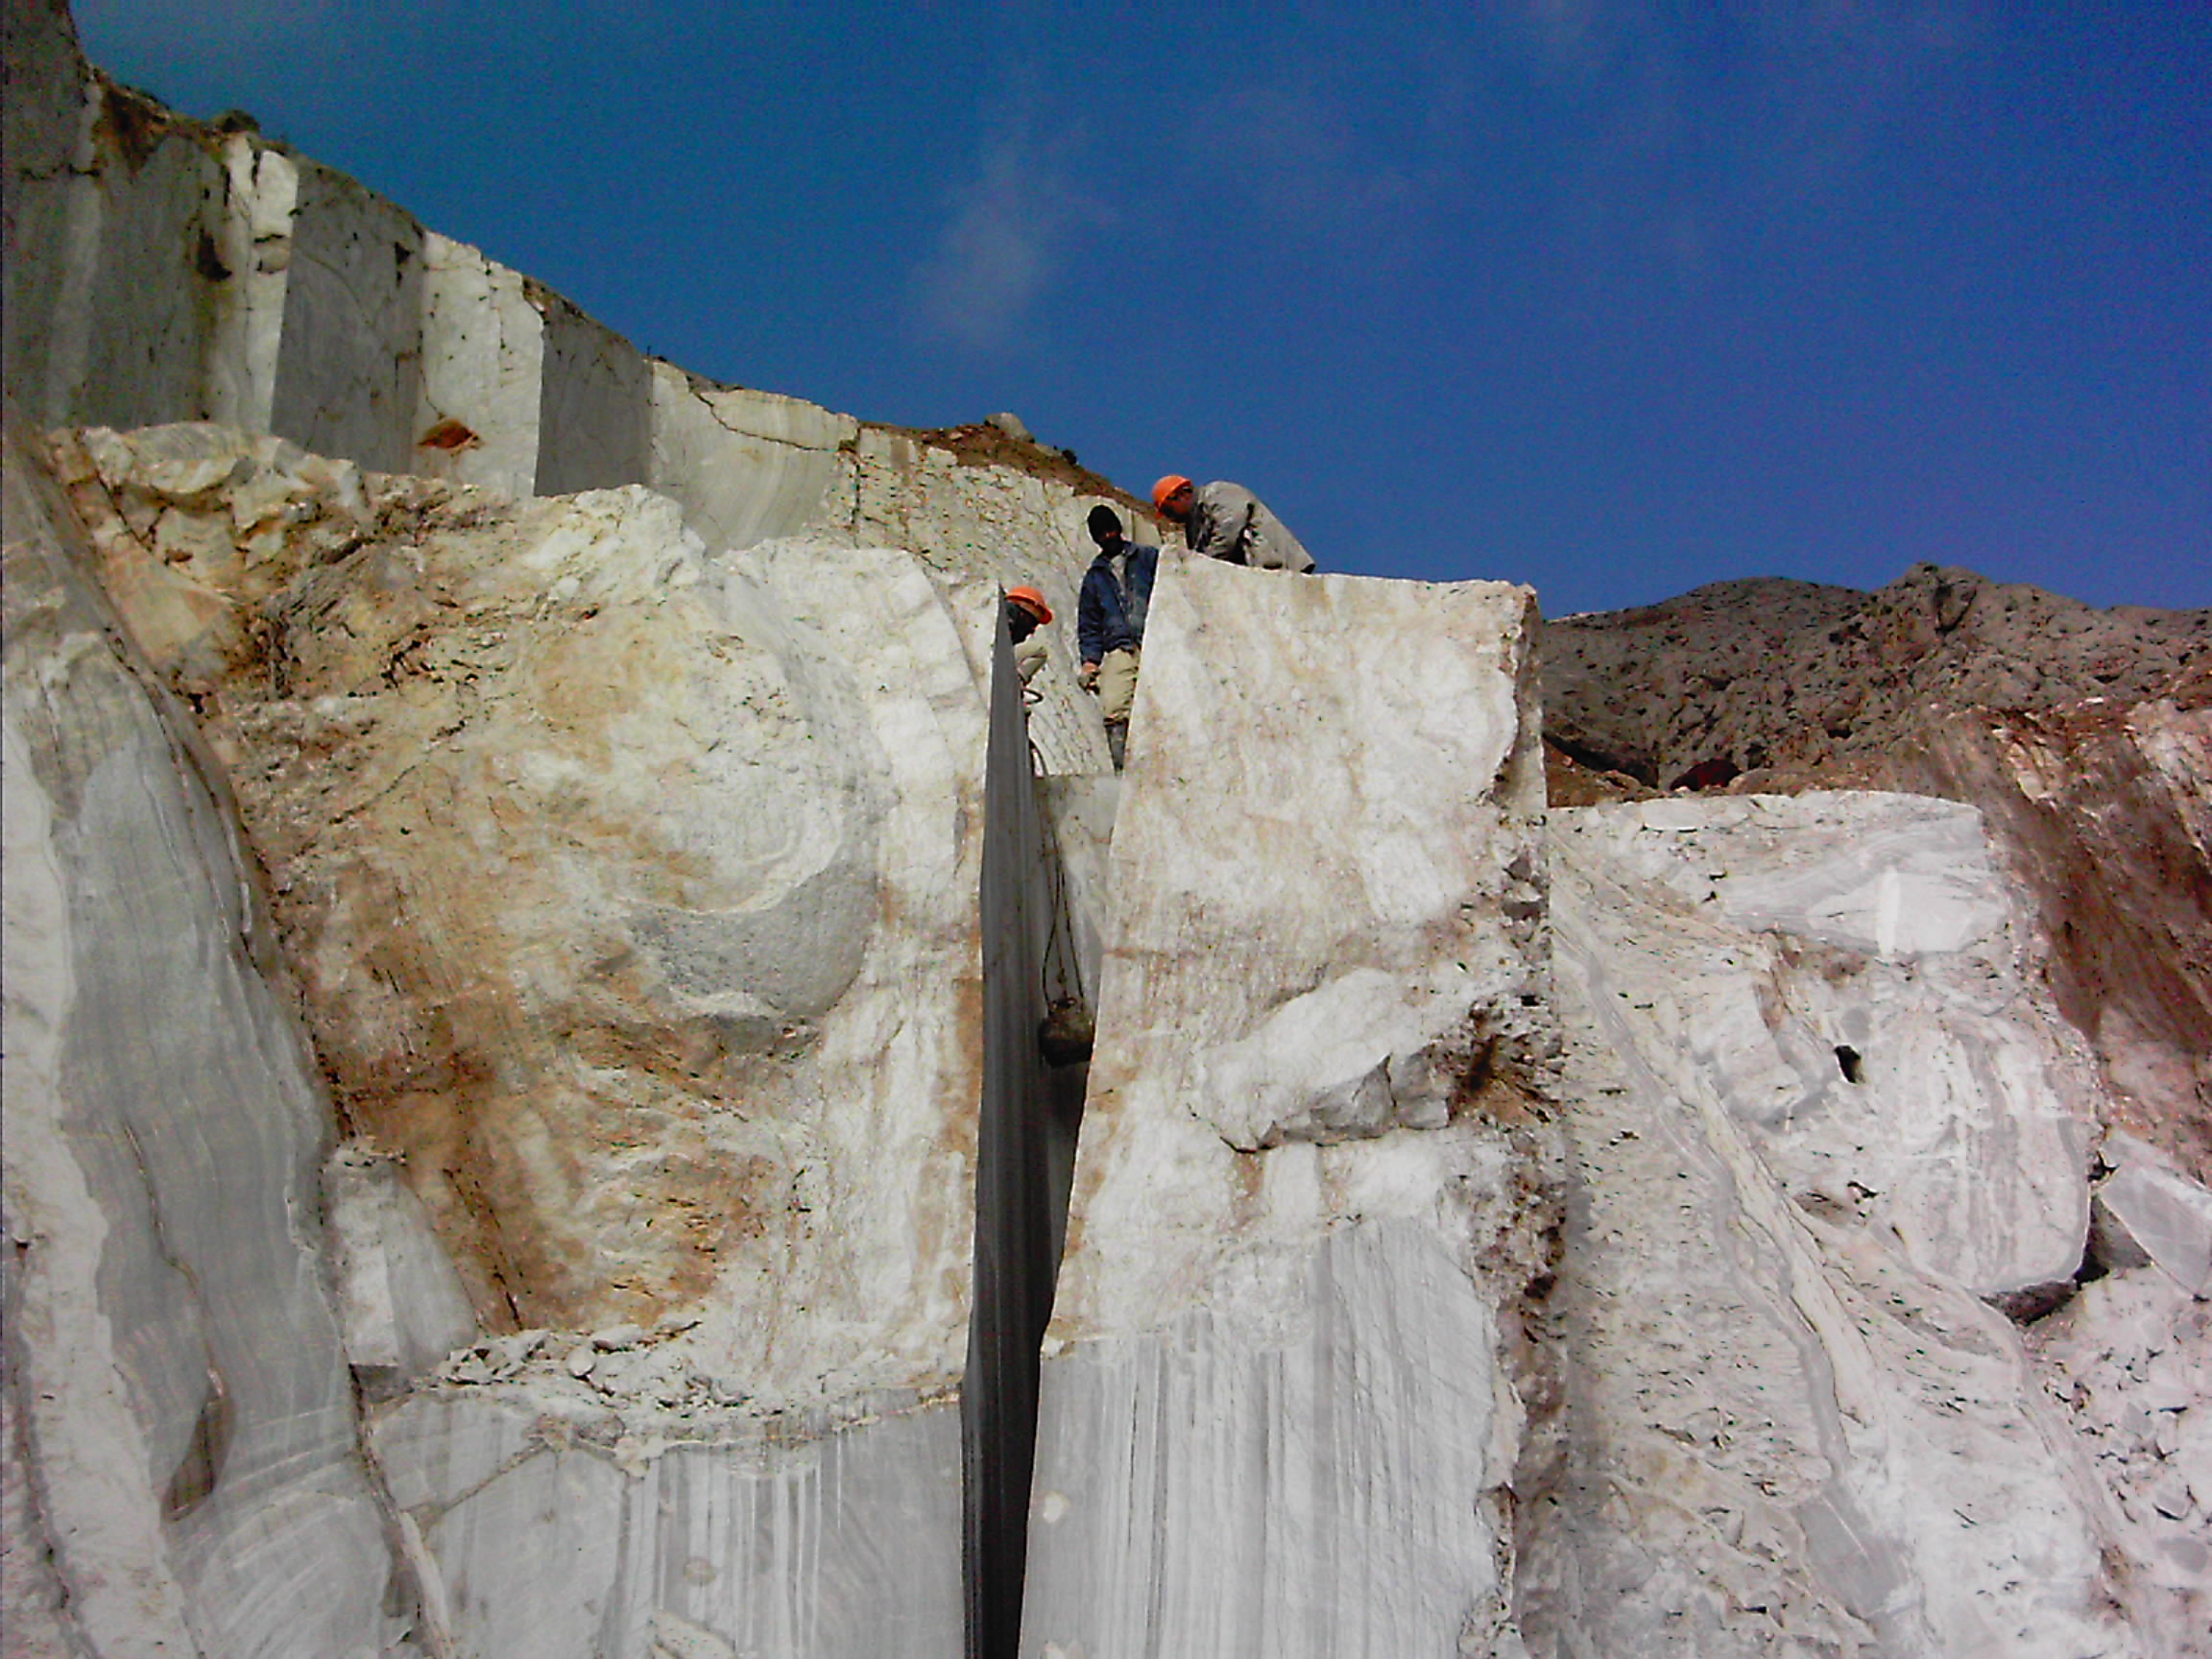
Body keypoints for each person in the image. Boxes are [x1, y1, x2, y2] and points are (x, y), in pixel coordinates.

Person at [1075, 506, 1158, 770]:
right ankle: (1124, 772)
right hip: (1119, 649)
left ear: (1119, 528)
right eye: (1102, 533)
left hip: (1157, 643)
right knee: (1113, 707)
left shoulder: (1149, 558)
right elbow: (1089, 625)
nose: (1108, 535)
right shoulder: (1095, 576)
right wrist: (1090, 661)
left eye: (1111, 529)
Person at [1152, 474, 1315, 573]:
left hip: (1277, 565)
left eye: (1168, 510)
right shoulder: (1194, 528)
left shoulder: (1217, 493)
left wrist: (1203, 564)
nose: (1170, 517)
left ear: (1181, 495)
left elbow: (1228, 530)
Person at [1004, 586, 1053, 695]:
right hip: (998, 657)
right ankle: (1017, 681)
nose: (1031, 630)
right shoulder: (1010, 612)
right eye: (1033, 621)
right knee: (1040, 651)